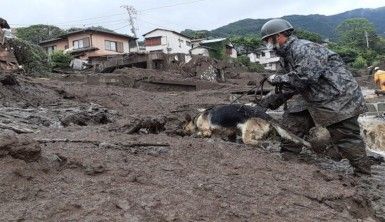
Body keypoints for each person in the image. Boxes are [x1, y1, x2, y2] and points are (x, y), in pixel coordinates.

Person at [260, 18, 371, 175]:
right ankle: (289, 160)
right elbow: (291, 85)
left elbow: (304, 77)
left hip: (338, 97)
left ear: (278, 36)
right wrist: (265, 103)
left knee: (346, 137)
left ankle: (363, 174)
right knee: (292, 121)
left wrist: (275, 78)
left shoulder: (304, 48)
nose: (266, 44)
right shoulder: (287, 56)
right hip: (314, 96)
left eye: (267, 40)